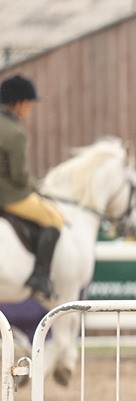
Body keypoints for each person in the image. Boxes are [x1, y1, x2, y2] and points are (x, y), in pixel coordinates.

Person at [0, 74, 62, 299]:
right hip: (9, 195)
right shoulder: (15, 133)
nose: (30, 109)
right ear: (18, 103)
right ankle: (41, 276)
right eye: (29, 104)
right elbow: (18, 176)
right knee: (55, 218)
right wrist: (35, 187)